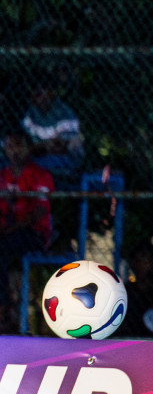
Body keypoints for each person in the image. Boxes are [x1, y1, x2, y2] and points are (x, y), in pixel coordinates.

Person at [0, 132, 54, 328]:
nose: (14, 152)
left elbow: (39, 212)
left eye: (19, 146)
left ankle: (5, 309)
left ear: (28, 149)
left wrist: (10, 228)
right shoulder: (2, 176)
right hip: (6, 233)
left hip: (32, 233)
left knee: (5, 248)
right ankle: (8, 307)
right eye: (10, 146)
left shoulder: (40, 175)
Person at [21, 81, 84, 179]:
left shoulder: (65, 112)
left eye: (43, 90)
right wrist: (42, 147)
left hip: (65, 160)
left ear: (51, 92)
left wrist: (37, 147)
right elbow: (25, 146)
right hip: (38, 157)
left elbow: (62, 146)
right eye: (35, 90)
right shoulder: (29, 114)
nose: (39, 94)